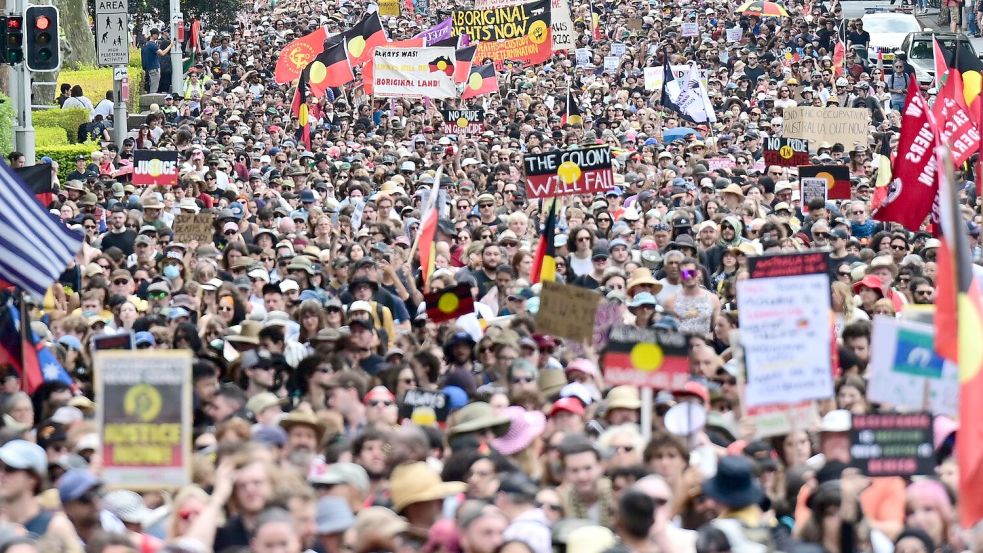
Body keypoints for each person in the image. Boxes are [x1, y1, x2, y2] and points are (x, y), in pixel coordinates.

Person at [141, 29, 172, 94]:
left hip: (148, 68)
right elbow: (162, 53)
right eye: (158, 35)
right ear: (154, 35)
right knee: (154, 88)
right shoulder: (152, 45)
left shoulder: (145, 44)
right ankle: (152, 101)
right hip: (154, 68)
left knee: (151, 86)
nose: (158, 36)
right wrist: (170, 45)